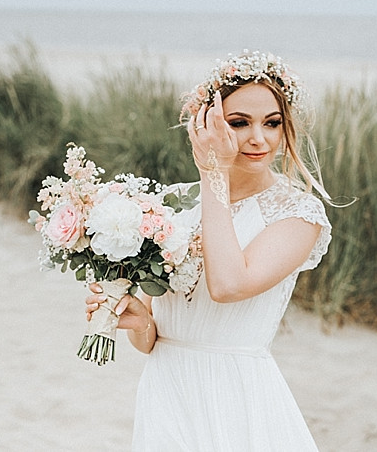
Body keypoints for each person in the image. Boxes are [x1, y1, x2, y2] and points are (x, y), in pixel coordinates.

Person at [85, 50, 333, 451]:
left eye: (272, 123)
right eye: (239, 123)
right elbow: (153, 338)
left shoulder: (298, 213)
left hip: (235, 395)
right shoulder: (173, 204)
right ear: (207, 125)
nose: (258, 138)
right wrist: (138, 321)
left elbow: (228, 285)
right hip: (166, 390)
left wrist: (212, 172)